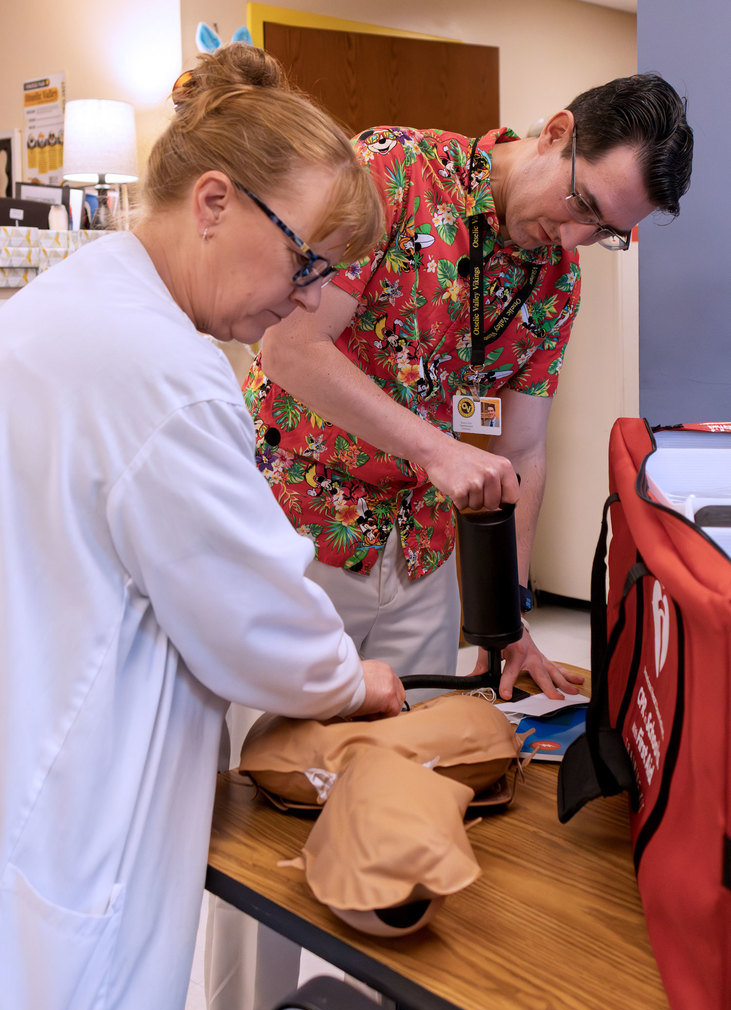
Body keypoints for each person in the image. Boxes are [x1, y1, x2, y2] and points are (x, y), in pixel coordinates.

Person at [0, 42, 406, 1010]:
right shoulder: (167, 378)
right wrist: (353, 678)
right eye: (305, 259)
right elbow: (252, 619)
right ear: (214, 202)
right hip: (81, 796)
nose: (309, 300)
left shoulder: (71, 303)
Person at [244, 72, 693, 698]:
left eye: (603, 231)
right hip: (299, 528)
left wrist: (506, 615)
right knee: (281, 769)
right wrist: (435, 449)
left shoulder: (556, 281)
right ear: (557, 134)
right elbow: (290, 347)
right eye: (583, 205)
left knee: (411, 762)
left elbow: (522, 448)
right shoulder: (393, 172)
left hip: (420, 552)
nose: (571, 238)